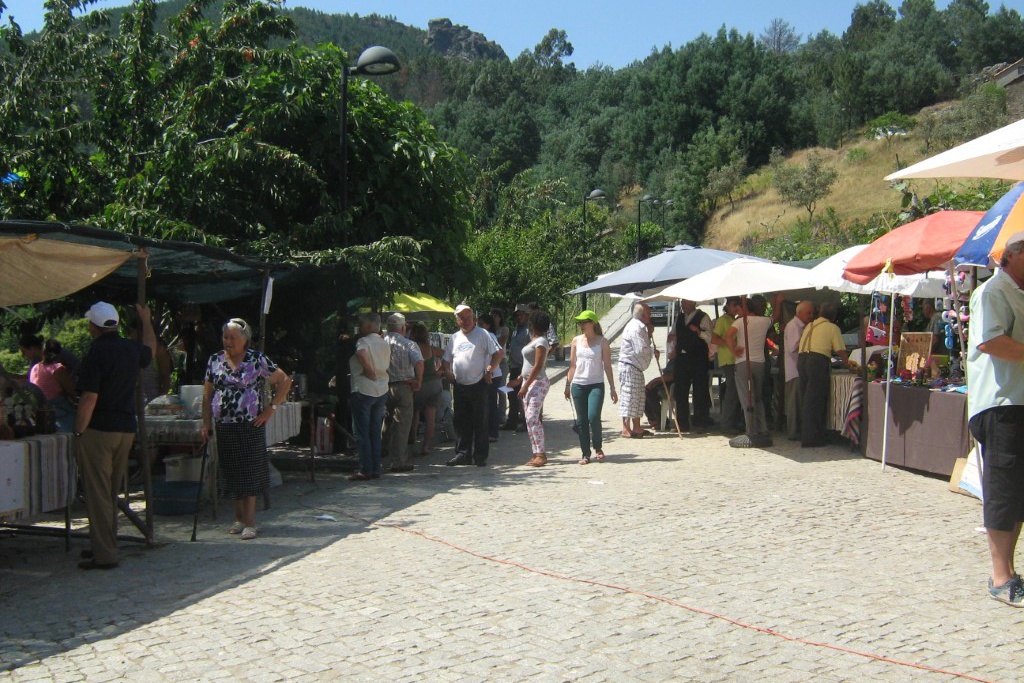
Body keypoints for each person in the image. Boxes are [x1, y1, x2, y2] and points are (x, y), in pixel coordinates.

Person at [965, 232, 1024, 607]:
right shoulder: (993, 291)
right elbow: (991, 342)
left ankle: (1011, 572)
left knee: (1017, 491)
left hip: (1017, 401)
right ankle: (1001, 576)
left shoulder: (1016, 292)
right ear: (1015, 255)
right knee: (1004, 489)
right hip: (1001, 404)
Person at [73, 302, 153, 569]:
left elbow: (89, 397)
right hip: (125, 429)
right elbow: (150, 351)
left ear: (94, 326)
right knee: (110, 493)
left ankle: (105, 554)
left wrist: (79, 431)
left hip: (100, 430)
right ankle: (106, 544)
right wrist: (147, 321)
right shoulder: (130, 348)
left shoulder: (96, 352)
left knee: (98, 494)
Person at [200, 317, 291, 538]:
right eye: (225, 337)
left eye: (233, 337)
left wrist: (271, 409)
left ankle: (250, 521)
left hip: (250, 423)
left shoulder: (256, 359)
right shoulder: (215, 360)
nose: (228, 342)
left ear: (245, 339)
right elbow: (207, 394)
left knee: (249, 471)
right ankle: (238, 518)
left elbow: (284, 380)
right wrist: (206, 423)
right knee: (231, 470)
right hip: (224, 424)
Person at [443, 305, 503, 467]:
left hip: (479, 384)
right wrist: (447, 372)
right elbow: (446, 360)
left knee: (480, 421)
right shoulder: (455, 338)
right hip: (460, 385)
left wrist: (490, 369)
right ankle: (463, 454)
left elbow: (498, 353)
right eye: (462, 318)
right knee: (461, 421)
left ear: (474, 319)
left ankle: (480, 456)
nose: (466, 321)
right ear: (457, 321)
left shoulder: (482, 334)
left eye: (468, 317)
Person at [565, 310, 618, 464]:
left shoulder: (603, 342)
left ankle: (598, 447)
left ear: (593, 323)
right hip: (578, 385)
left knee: (593, 416)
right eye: (580, 322)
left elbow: (607, 366)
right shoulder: (576, 341)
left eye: (584, 322)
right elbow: (572, 365)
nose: (581, 325)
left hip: (596, 384)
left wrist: (612, 388)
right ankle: (585, 453)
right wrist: (568, 385)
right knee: (581, 421)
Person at [345, 313, 390, 481]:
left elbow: (361, 354)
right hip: (382, 388)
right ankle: (375, 468)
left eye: (362, 324)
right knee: (374, 431)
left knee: (362, 432)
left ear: (369, 326)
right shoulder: (384, 342)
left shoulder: (363, 341)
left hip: (363, 388)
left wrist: (369, 370)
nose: (360, 328)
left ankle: (365, 469)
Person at [797, 302, 849, 448]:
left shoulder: (810, 325)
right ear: (834, 316)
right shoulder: (832, 328)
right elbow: (840, 351)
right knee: (816, 399)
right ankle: (812, 438)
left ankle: (807, 434)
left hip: (802, 359)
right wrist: (849, 365)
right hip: (817, 361)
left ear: (819, 313)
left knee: (807, 398)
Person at [725, 295, 773, 447]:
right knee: (758, 396)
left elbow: (728, 336)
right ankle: (763, 428)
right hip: (759, 362)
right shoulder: (765, 321)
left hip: (743, 362)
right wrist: (777, 302)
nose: (737, 311)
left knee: (747, 397)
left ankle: (751, 429)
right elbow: (776, 316)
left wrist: (734, 350)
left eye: (739, 308)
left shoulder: (740, 322)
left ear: (744, 308)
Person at [383, 313, 423, 473]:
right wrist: (418, 381)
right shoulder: (409, 344)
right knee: (402, 425)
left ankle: (380, 455)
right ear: (403, 327)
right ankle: (398, 461)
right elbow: (419, 362)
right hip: (404, 387)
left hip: (382, 387)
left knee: (384, 423)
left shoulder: (381, 343)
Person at [511, 309, 551, 466]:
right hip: (529, 381)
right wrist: (520, 379)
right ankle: (536, 452)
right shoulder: (534, 340)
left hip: (538, 382)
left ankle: (541, 454)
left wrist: (525, 386)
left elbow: (538, 365)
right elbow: (529, 364)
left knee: (533, 417)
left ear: (533, 324)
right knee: (529, 419)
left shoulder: (541, 341)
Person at [671, 299, 713, 434]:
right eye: (682, 303)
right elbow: (674, 333)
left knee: (700, 389)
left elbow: (710, 337)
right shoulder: (679, 317)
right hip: (682, 358)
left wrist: (699, 332)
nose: (683, 305)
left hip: (698, 358)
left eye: (685, 303)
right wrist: (672, 342)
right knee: (680, 390)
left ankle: (701, 421)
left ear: (693, 303)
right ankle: (682, 422)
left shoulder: (703, 317)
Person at [618, 302, 657, 438]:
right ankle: (626, 428)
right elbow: (640, 349)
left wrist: (649, 334)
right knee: (629, 397)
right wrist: (653, 351)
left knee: (638, 397)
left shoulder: (640, 327)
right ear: (643, 315)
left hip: (636, 367)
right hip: (629, 367)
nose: (650, 316)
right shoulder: (635, 328)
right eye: (649, 313)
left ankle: (637, 427)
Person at [409, 322, 444, 456]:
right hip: (435, 384)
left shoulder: (412, 348)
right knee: (431, 418)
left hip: (420, 384)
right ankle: (426, 447)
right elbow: (446, 354)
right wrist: (441, 370)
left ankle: (412, 438)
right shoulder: (431, 348)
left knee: (415, 412)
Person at [711, 297, 744, 434]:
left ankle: (733, 421)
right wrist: (730, 343)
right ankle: (726, 423)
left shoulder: (735, 319)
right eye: (734, 305)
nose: (736, 307)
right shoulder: (723, 320)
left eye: (738, 305)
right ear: (728, 306)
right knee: (732, 391)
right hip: (728, 359)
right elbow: (714, 338)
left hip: (736, 359)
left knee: (736, 391)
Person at [29, 339, 78, 433]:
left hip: (39, 409)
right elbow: (72, 391)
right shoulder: (57, 369)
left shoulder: (35, 368)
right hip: (56, 408)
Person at [783, 301, 816, 441]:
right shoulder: (793, 326)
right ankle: (793, 432)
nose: (811, 315)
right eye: (808, 313)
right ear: (799, 313)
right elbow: (793, 347)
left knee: (799, 402)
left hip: (800, 370)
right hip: (794, 369)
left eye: (812, 313)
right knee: (794, 403)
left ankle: (798, 431)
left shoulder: (801, 326)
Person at [501, 304, 530, 432]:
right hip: (514, 366)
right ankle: (512, 421)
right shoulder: (516, 329)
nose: (519, 317)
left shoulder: (529, 330)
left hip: (523, 367)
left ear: (527, 315)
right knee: (511, 393)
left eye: (521, 314)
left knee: (522, 395)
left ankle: (525, 422)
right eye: (517, 315)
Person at [478, 313, 504, 442]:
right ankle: (487, 431)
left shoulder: (490, 336)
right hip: (487, 375)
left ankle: (493, 433)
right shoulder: (483, 336)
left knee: (491, 404)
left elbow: (499, 352)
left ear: (488, 325)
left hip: (492, 375)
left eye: (481, 324)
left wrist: (490, 369)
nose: (478, 327)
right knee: (486, 404)